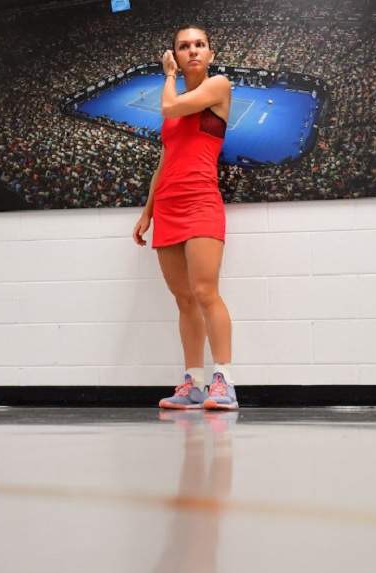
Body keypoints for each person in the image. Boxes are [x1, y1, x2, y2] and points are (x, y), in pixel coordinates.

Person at [132, 24, 238, 411]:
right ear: (175, 52)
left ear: (210, 53)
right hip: (170, 208)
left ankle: (223, 381)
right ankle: (193, 382)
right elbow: (164, 163)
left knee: (206, 293)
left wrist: (170, 76)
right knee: (184, 300)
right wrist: (148, 211)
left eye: (199, 45)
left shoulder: (218, 86)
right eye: (183, 46)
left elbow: (169, 106)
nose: (192, 51)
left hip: (201, 203)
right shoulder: (174, 111)